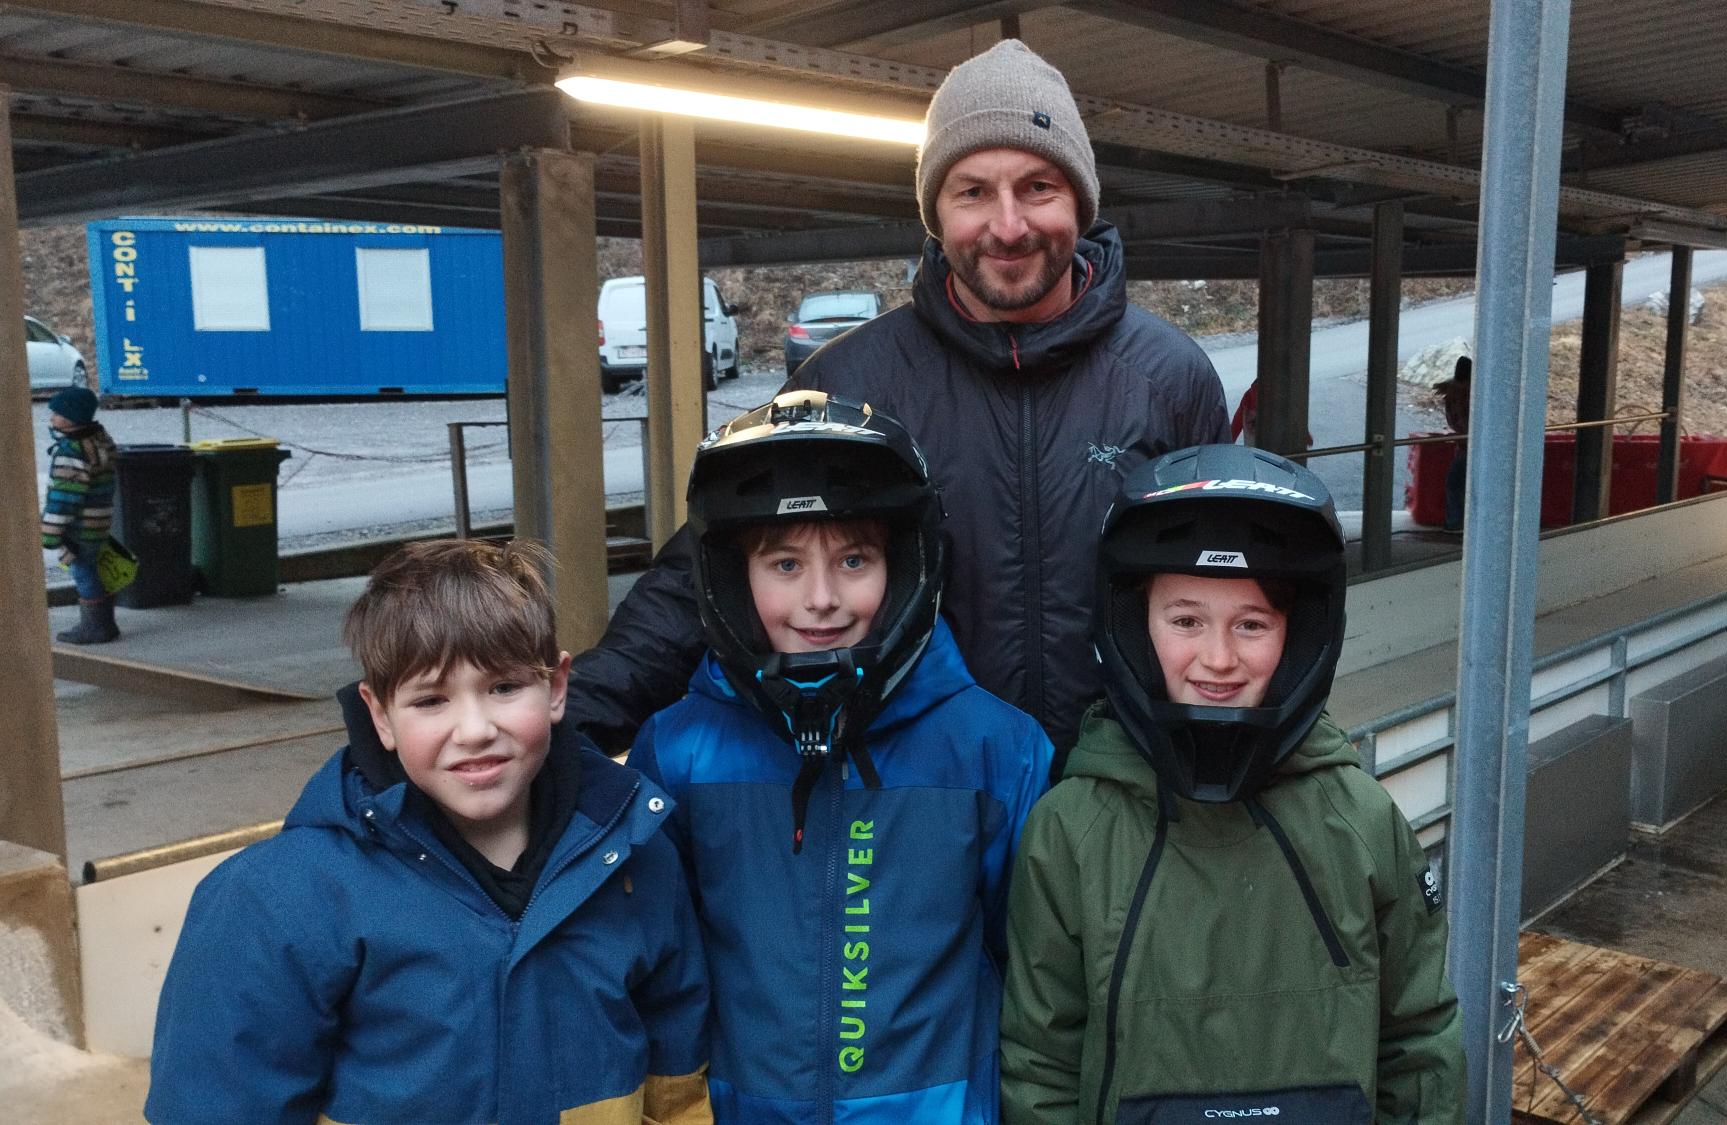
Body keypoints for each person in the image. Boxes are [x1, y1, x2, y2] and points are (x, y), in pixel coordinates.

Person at [572, 38, 1229, 757]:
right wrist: (567, 729)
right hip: (915, 796)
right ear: (935, 213)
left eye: (1038, 187)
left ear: (1081, 199)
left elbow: (1235, 584)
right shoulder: (850, 382)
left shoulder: (1170, 379)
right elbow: (708, 570)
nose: (1008, 226)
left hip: (1120, 789)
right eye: (972, 192)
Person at [147, 540, 712, 1125]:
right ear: (380, 716)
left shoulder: (637, 858)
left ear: (557, 688)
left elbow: (677, 1089)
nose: (474, 730)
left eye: (504, 687)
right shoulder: (276, 900)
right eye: (431, 700)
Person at [1001, 444, 1464, 1123]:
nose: (1218, 659)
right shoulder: (1070, 829)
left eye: (1251, 624)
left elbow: (1419, 1046)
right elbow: (1039, 1066)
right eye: (1186, 621)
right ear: (1135, 626)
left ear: (1298, 636)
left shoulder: (1361, 820)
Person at [627, 392, 1052, 1122]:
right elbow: (662, 973)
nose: (821, 598)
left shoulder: (995, 748)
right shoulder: (679, 750)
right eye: (785, 563)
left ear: (906, 563)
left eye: (854, 559)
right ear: (732, 576)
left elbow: (1030, 974)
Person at [42, 385, 119, 644]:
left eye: (57, 413)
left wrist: (50, 533)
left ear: (73, 418)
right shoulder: (99, 440)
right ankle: (105, 623)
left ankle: (95, 627)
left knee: (84, 572)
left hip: (79, 526)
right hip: (99, 520)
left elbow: (64, 498)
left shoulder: (72, 452)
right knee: (91, 569)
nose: (52, 417)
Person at [1433, 354, 1472, 532]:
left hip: (1467, 445)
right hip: (1467, 444)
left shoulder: (1457, 393)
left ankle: (1456, 522)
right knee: (1459, 482)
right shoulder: (1471, 392)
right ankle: (1458, 521)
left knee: (1454, 483)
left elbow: (1462, 423)